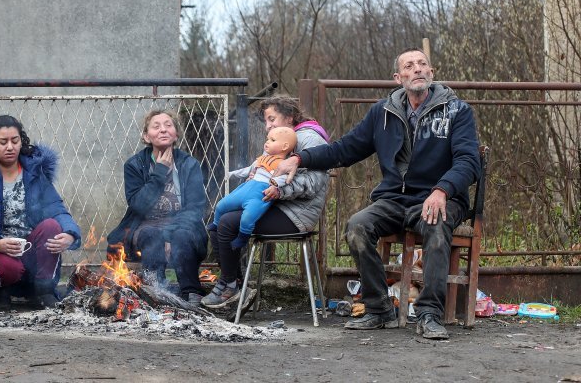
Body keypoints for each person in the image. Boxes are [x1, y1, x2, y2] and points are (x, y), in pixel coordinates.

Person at [273, 48, 481, 339]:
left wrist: (442, 190)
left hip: (441, 198)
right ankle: (379, 309)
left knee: (435, 225)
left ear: (432, 74)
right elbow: (344, 150)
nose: (417, 69)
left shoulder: (457, 111)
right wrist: (300, 159)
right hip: (395, 199)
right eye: (409, 66)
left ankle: (429, 314)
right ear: (398, 78)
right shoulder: (382, 113)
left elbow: (468, 162)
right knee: (357, 226)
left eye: (423, 64)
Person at [202, 96, 330, 309]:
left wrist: (279, 190)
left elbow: (313, 183)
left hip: (296, 213)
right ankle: (235, 284)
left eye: (272, 119)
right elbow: (265, 170)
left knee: (227, 223)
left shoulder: (311, 139)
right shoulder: (277, 137)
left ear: (289, 117)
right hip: (273, 203)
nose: (267, 126)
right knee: (217, 223)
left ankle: (229, 286)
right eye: (266, 121)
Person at [0, 115, 82, 309]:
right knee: (8, 268)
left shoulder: (34, 172)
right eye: (2, 142)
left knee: (52, 226)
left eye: (15, 141)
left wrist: (70, 233)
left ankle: (43, 291)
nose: (10, 147)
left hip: (28, 247)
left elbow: (56, 208)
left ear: (21, 141)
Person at [106, 109, 208, 305]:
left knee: (183, 235)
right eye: (156, 126)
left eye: (168, 125)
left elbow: (195, 208)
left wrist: (169, 235)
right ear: (146, 136)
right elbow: (139, 206)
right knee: (151, 235)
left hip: (183, 225)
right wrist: (160, 171)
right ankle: (154, 291)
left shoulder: (189, 164)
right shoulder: (134, 165)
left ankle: (191, 292)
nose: (163, 130)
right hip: (145, 224)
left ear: (176, 134)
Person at [208, 126, 298, 250]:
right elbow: (248, 170)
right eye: (267, 139)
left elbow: (287, 179)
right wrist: (231, 174)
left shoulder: (284, 165)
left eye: (272, 140)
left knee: (248, 218)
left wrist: (275, 182)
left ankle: (242, 238)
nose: (267, 142)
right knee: (221, 205)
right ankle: (216, 223)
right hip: (247, 187)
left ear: (284, 146)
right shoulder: (262, 159)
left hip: (261, 193)